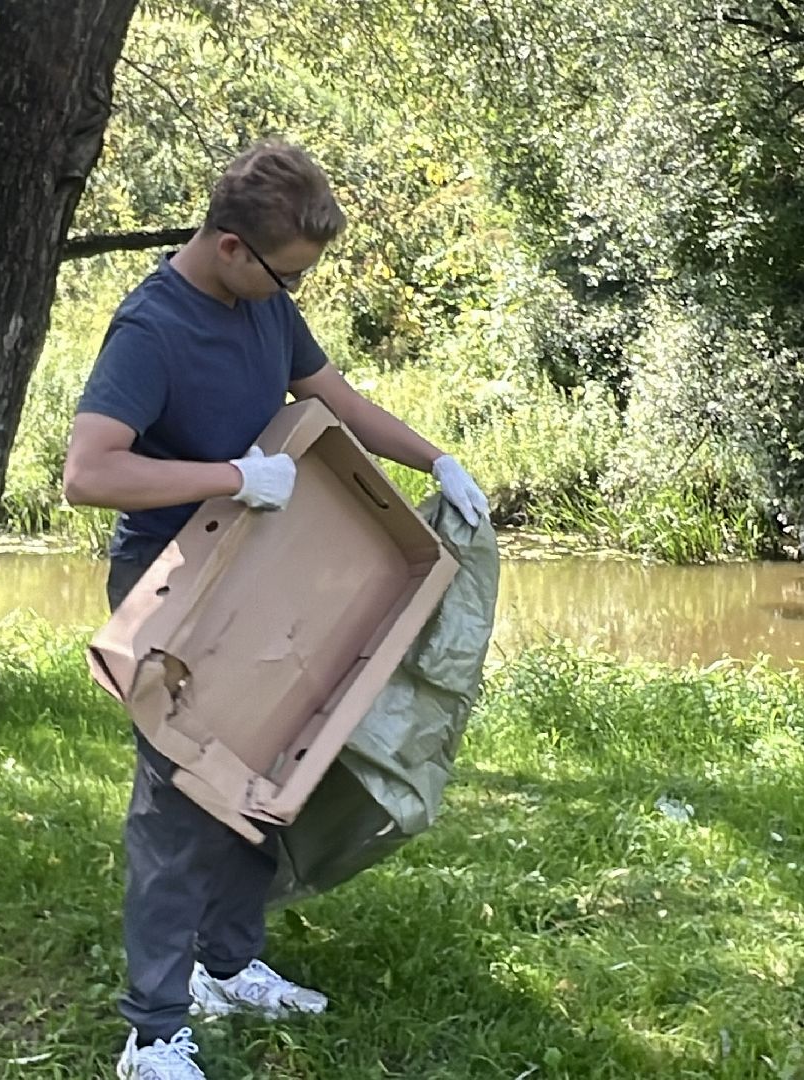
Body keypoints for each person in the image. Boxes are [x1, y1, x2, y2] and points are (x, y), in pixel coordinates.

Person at [62, 139, 488, 1080]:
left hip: (264, 570)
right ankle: (153, 1032)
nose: (292, 289)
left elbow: (331, 397)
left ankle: (228, 962)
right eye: (284, 271)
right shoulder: (152, 328)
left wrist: (434, 460)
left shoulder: (266, 304)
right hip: (176, 593)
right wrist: (232, 476)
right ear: (226, 246)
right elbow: (87, 473)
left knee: (264, 786)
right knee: (181, 805)